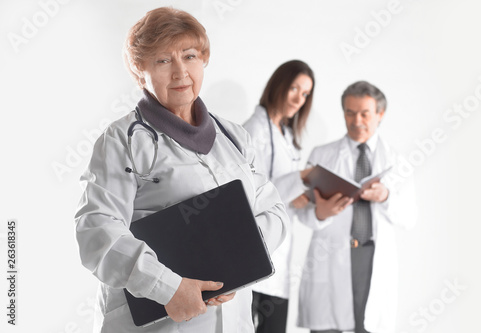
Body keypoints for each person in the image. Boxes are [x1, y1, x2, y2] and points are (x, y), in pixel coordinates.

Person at [74, 7, 288, 333]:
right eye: (162, 60)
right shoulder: (122, 141)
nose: (180, 72)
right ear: (138, 70)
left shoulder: (234, 136)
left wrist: (238, 263)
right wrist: (168, 287)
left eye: (189, 56)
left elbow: (274, 209)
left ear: (203, 60)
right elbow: (97, 232)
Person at [296, 81, 417, 333]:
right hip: (331, 252)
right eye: (349, 112)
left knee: (368, 326)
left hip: (372, 255)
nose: (356, 120)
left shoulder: (397, 162)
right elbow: (302, 211)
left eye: (364, 113)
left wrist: (385, 196)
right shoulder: (321, 155)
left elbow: (409, 218)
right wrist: (321, 213)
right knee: (327, 326)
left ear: (380, 114)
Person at [243, 60, 315, 333]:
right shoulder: (254, 130)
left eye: (306, 93)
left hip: (279, 258)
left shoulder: (286, 136)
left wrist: (308, 199)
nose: (299, 98)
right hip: (254, 253)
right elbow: (248, 192)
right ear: (279, 85)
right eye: (294, 88)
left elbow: (279, 193)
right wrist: (300, 179)